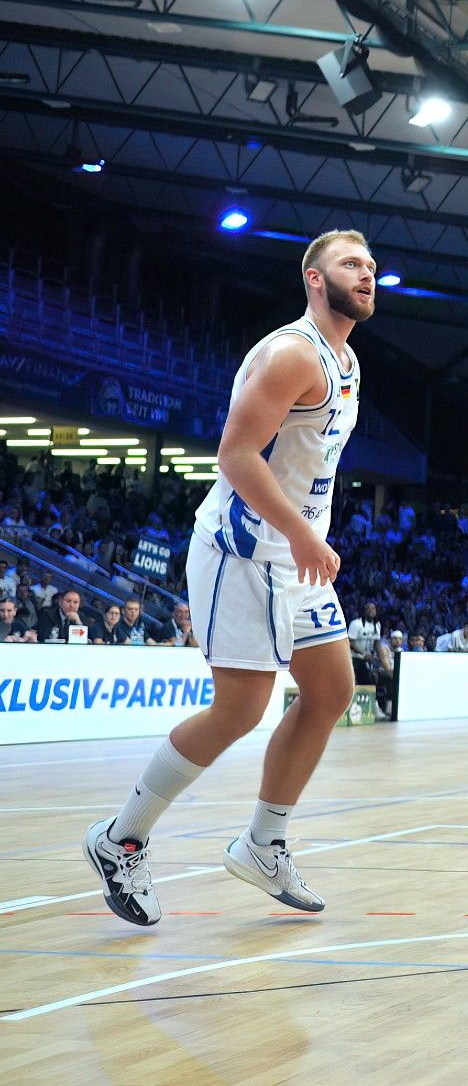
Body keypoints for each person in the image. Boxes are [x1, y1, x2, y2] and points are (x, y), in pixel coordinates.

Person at [83, 230, 374, 925]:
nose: (365, 276)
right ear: (313, 278)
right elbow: (236, 455)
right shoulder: (290, 354)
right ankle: (120, 838)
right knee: (241, 707)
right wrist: (304, 532)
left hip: (295, 553)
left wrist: (306, 534)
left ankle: (263, 842)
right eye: (349, 265)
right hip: (243, 547)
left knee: (332, 689)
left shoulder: (347, 360)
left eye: (370, 267)